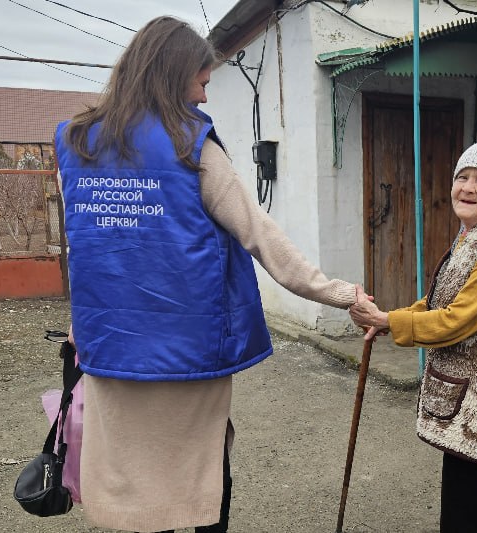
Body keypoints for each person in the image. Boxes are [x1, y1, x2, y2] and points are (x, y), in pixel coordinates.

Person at [55, 16, 356, 533]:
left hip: (110, 345)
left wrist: (80, 325)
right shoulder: (189, 144)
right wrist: (339, 293)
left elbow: (85, 246)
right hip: (188, 348)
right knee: (201, 467)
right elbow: (259, 233)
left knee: (131, 475)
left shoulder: (77, 142)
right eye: (201, 82)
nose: (204, 96)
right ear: (174, 74)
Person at [349, 140, 477, 533]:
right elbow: (439, 301)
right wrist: (389, 320)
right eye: (462, 177)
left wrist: (389, 319)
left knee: (471, 511)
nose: (467, 188)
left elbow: (460, 319)